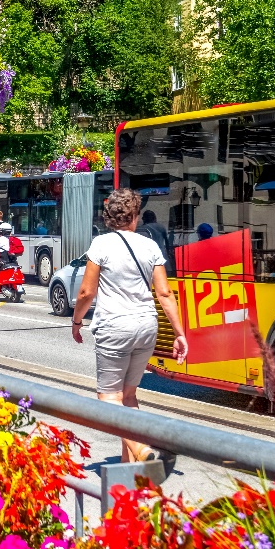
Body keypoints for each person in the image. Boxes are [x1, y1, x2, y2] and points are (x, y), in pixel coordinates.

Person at [71, 188, 191, 465]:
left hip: (115, 326)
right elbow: (164, 293)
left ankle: (142, 449)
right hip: (147, 326)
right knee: (129, 396)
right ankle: (129, 469)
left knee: (108, 397)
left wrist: (77, 322)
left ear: (109, 218)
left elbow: (86, 293)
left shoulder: (101, 245)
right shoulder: (150, 246)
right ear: (134, 216)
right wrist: (179, 333)